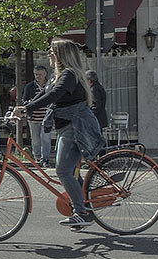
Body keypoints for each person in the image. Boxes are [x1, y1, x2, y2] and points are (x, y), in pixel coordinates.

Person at [14, 39, 106, 229]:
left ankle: (81, 213)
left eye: (51, 52)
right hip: (67, 126)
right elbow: (42, 95)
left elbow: (53, 96)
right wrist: (22, 107)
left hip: (76, 127)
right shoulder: (59, 77)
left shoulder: (69, 75)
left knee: (62, 170)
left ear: (61, 55)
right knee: (71, 171)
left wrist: (27, 109)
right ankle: (83, 210)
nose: (48, 54)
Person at [19, 64, 52, 167]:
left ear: (45, 74)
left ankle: (45, 159)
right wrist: (30, 103)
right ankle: (37, 158)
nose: (38, 76)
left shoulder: (49, 86)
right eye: (36, 74)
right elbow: (24, 100)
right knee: (36, 140)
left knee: (46, 139)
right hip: (33, 118)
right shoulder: (30, 86)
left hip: (46, 118)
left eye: (40, 74)